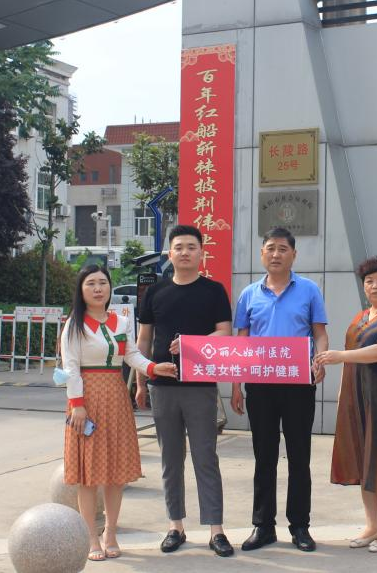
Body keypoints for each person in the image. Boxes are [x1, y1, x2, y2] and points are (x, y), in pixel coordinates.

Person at [61, 263, 177, 562]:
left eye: (102, 282)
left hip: (115, 396)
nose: (98, 288)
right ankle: (91, 536)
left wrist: (154, 368)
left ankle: (110, 533)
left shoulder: (122, 321)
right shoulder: (74, 324)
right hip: (86, 399)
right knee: (88, 475)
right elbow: (70, 367)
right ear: (81, 290)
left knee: (114, 473)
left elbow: (131, 355)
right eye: (91, 283)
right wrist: (77, 405)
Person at [134, 225, 235, 558]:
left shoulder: (213, 291)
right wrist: (141, 381)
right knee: (170, 458)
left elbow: (224, 333)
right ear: (170, 254)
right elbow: (144, 340)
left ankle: (216, 530)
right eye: (179, 247)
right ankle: (175, 526)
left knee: (206, 457)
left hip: (201, 386)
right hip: (162, 386)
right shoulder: (155, 292)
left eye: (192, 247)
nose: (185, 252)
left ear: (201, 253)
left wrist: (193, 344)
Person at [230, 227, 328, 552]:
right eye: (270, 248)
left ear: (293, 255)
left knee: (299, 456)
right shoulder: (249, 294)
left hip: (298, 383)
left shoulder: (309, 290)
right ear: (262, 253)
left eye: (283, 249)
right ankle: (263, 526)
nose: (276, 254)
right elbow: (241, 342)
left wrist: (320, 359)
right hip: (259, 385)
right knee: (264, 457)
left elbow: (319, 332)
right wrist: (236, 386)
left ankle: (300, 526)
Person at [314, 256, 377, 553]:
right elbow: (353, 361)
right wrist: (343, 394)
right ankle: (373, 525)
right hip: (355, 398)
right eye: (369, 281)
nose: (374, 285)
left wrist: (340, 356)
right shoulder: (360, 317)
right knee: (364, 460)